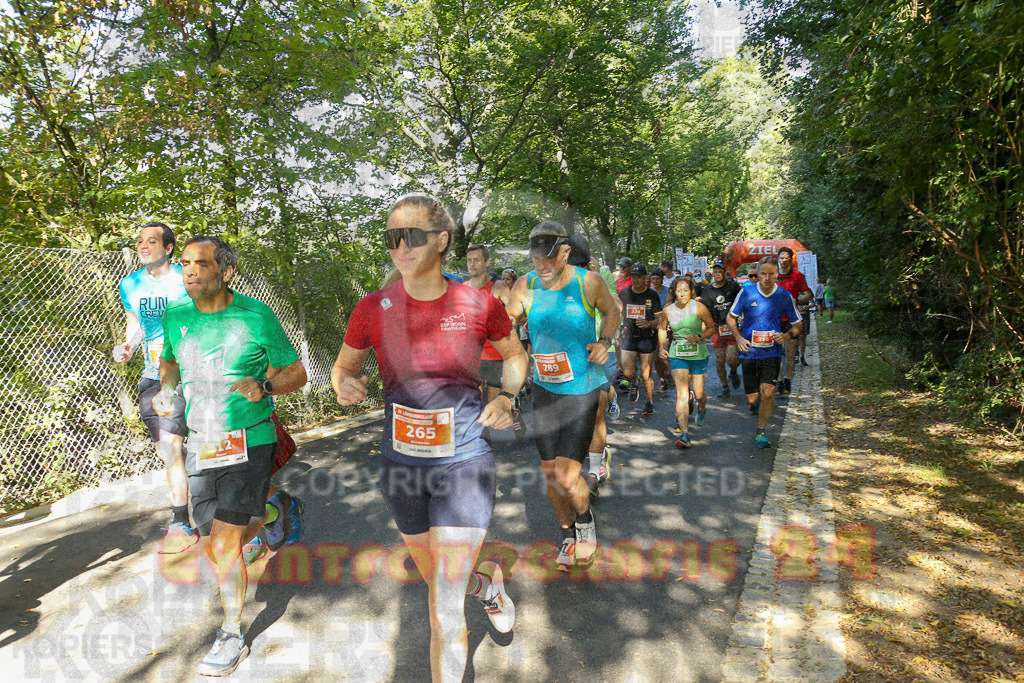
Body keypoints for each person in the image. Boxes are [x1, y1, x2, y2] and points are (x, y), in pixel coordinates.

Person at [332, 194, 526, 681]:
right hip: (401, 467)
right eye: (391, 238)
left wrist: (507, 398)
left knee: (443, 606)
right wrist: (343, 384)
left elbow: (515, 355)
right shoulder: (373, 308)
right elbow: (343, 367)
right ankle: (487, 587)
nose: (399, 247)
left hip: (464, 462)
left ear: (441, 240)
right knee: (438, 583)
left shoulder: (477, 303)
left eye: (411, 236)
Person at [155, 236, 307, 675]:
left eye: (201, 264)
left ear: (226, 272)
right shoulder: (175, 315)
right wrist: (166, 389)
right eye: (185, 263)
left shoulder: (255, 315)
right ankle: (276, 510)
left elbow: (297, 372)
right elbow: (169, 361)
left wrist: (267, 386)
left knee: (224, 545)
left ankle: (231, 632)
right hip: (202, 442)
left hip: (250, 438)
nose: (189, 271)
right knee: (214, 544)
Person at [505, 221, 620, 572]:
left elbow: (612, 311)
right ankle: (568, 534)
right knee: (550, 475)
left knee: (568, 476)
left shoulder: (589, 283)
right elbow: (506, 324)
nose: (542, 265)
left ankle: (585, 523)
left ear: (566, 252)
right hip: (544, 390)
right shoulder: (526, 285)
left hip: (582, 388)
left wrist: (605, 342)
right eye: (536, 258)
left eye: (549, 258)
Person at [113, 222, 194, 553]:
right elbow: (136, 325)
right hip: (153, 375)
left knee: (180, 445)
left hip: (192, 373)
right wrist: (128, 347)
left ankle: (182, 520)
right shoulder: (129, 284)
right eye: (140, 242)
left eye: (151, 241)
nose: (143, 247)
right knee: (168, 448)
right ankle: (183, 511)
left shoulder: (187, 278)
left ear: (168, 248)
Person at [726, 256, 803, 449]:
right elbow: (730, 317)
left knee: (768, 393)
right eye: (763, 274)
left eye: (771, 274)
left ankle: (761, 432)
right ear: (758, 274)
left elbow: (798, 324)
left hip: (772, 352)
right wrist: (739, 338)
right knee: (753, 397)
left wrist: (786, 336)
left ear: (777, 274)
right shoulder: (746, 292)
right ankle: (755, 402)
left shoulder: (784, 296)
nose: (767, 278)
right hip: (749, 352)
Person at [564, 237, 617, 502]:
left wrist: (604, 341)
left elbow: (616, 309)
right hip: (568, 360)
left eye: (581, 266)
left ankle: (594, 471)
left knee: (596, 415)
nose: (577, 271)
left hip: (597, 356)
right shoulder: (555, 283)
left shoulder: (599, 278)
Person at [659, 277, 714, 447]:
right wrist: (661, 347)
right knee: (682, 394)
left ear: (691, 291)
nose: (682, 294)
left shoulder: (699, 308)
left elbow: (711, 328)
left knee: (699, 394)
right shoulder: (668, 310)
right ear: (674, 292)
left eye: (685, 290)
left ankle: (702, 408)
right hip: (678, 354)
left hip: (698, 355)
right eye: (679, 290)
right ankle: (684, 434)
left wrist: (699, 337)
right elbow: (662, 329)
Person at [466, 244, 511, 408]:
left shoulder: (498, 287)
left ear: (487, 262)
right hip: (471, 354)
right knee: (473, 400)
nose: (472, 264)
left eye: (476, 260)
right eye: (469, 260)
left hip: (494, 354)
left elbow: (515, 314)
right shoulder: (462, 288)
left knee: (493, 403)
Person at [617, 263, 663, 415]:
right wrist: (616, 331)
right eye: (633, 277)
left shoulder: (652, 295)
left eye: (638, 277)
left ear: (645, 278)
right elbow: (617, 314)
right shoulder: (624, 293)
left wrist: (649, 323)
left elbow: (660, 319)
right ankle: (634, 382)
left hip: (647, 338)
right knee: (627, 372)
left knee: (646, 373)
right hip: (629, 336)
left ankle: (649, 401)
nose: (635, 280)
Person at [699, 260, 742, 397]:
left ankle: (733, 370)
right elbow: (704, 311)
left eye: (720, 271)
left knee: (731, 358)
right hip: (717, 329)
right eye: (715, 272)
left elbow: (741, 301)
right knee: (719, 360)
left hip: (732, 327)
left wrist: (741, 316)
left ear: (724, 273)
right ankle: (725, 387)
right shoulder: (707, 291)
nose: (717, 274)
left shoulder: (732, 287)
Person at [774, 247, 812, 395]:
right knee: (776, 352)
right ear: (778, 259)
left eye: (786, 258)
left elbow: (808, 295)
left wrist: (796, 300)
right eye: (781, 258)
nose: (784, 261)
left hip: (791, 319)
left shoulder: (797, 276)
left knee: (790, 353)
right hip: (775, 319)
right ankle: (779, 381)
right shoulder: (773, 275)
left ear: (791, 259)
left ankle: (788, 378)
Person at [648, 270, 672, 392]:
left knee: (664, 356)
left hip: (666, 328)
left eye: (657, 278)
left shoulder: (668, 292)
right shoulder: (648, 292)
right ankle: (662, 380)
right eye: (653, 279)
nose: (655, 281)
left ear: (662, 279)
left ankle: (669, 372)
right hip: (653, 328)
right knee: (657, 358)